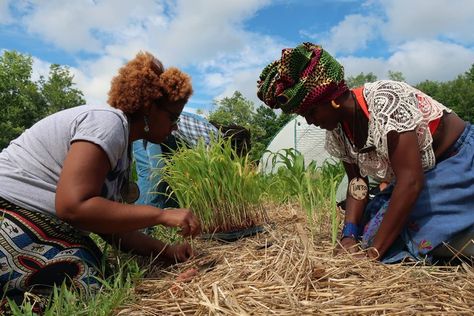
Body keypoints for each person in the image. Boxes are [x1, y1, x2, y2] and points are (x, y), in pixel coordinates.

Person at [0, 51, 201, 299]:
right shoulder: (108, 123)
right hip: (11, 211)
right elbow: (73, 207)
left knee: (100, 275)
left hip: (37, 218)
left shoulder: (122, 149)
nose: (175, 126)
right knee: (87, 285)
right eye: (172, 117)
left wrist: (166, 251)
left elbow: (113, 228)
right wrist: (160, 214)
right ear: (149, 108)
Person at [257, 42, 474, 263]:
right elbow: (356, 183)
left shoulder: (385, 101)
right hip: (424, 175)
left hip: (458, 160)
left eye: (311, 112)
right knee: (370, 226)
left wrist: (373, 255)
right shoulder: (339, 132)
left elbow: (410, 182)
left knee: (410, 231)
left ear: (333, 100)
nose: (310, 121)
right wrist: (349, 235)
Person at [133, 114, 251, 210]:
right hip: (148, 128)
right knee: (154, 174)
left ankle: (165, 221)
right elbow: (207, 178)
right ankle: (143, 227)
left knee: (173, 179)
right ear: (234, 147)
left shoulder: (214, 135)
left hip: (165, 137)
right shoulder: (212, 140)